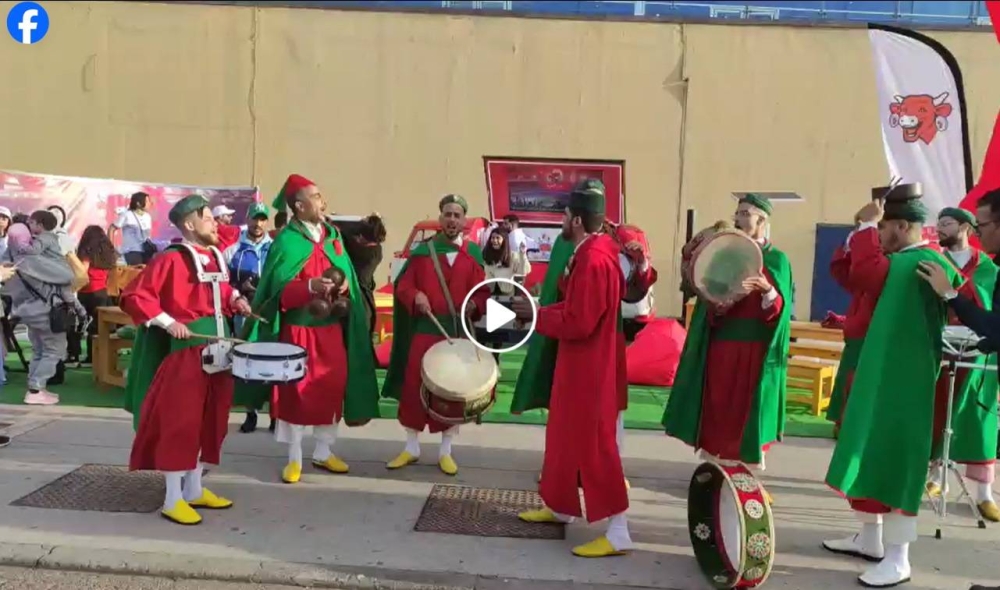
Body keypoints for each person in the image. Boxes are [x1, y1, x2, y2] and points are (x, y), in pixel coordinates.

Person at [824, 189, 962, 588]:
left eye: (884, 228)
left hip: (907, 381)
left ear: (903, 227)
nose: (880, 235)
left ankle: (899, 557)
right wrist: (865, 230)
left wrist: (865, 226)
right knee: (873, 453)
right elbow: (855, 274)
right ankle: (870, 539)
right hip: (885, 373)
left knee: (899, 461)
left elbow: (866, 273)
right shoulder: (906, 261)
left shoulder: (923, 261)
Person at [509, 179, 631, 558]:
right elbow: (575, 309)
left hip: (589, 369)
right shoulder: (593, 251)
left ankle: (618, 532)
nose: (560, 220)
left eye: (563, 215)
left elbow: (581, 322)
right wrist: (539, 312)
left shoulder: (594, 259)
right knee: (563, 439)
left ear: (576, 220)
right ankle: (561, 506)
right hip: (578, 365)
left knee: (596, 448)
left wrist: (535, 319)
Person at [235, 174, 380, 484]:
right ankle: (295, 457)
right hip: (299, 332)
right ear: (299, 206)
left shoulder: (334, 237)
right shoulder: (287, 241)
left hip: (331, 331)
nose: (322, 201)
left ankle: (324, 452)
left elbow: (350, 279)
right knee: (296, 394)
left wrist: (340, 290)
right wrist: (309, 287)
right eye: (315, 196)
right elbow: (277, 292)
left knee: (332, 388)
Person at [120, 194, 254, 525]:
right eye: (208, 217)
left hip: (219, 349)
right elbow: (135, 296)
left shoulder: (215, 255)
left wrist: (235, 299)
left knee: (211, 421)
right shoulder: (171, 259)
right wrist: (169, 322)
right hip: (187, 353)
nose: (215, 222)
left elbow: (220, 292)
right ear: (190, 224)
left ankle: (194, 490)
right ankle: (172, 498)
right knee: (182, 423)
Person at [663, 193, 792, 500]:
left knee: (746, 414)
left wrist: (767, 291)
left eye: (746, 213)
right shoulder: (725, 254)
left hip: (754, 353)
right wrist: (720, 303)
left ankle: (746, 479)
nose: (738, 218)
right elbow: (708, 295)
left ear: (762, 220)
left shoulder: (777, 260)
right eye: (738, 213)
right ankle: (719, 472)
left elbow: (781, 313)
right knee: (719, 410)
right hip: (721, 348)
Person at [381, 194, 490, 476]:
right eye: (447, 214)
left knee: (452, 392)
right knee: (415, 387)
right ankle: (411, 447)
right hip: (426, 331)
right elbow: (403, 286)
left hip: (456, 334)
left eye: (457, 215)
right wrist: (415, 295)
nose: (452, 220)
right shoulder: (422, 252)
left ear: (464, 221)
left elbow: (483, 292)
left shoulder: (473, 255)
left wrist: (475, 306)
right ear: (440, 219)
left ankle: (446, 451)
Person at [923, 206, 999, 522]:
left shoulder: (988, 268)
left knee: (978, 419)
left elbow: (991, 312)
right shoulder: (931, 262)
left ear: (967, 227)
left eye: (948, 223)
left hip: (981, 348)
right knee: (939, 409)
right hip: (942, 347)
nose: (940, 228)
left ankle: (984, 493)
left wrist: (956, 292)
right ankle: (934, 476)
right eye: (938, 223)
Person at [2, 220, 82, 405]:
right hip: (47, 312)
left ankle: (36, 387)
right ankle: (36, 389)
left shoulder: (7, 262)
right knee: (54, 350)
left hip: (26, 313)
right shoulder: (32, 260)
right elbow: (67, 276)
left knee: (39, 350)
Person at [223, 202, 274, 434]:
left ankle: (276, 414)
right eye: (255, 218)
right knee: (247, 364)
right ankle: (250, 413)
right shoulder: (232, 251)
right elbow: (223, 284)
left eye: (263, 219)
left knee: (273, 364)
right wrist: (239, 289)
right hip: (244, 314)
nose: (258, 224)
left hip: (270, 314)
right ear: (248, 219)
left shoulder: (275, 248)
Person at [826, 214, 879, 433]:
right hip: (857, 338)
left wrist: (869, 226)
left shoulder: (888, 264)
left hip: (874, 339)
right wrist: (860, 229)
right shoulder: (863, 272)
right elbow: (843, 273)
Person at [331, 213, 387, 335]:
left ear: (362, 237)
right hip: (365, 297)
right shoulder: (377, 250)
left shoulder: (363, 252)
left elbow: (347, 237)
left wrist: (333, 227)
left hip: (358, 296)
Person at [73, 226, 117, 365]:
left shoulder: (87, 250)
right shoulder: (108, 251)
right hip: (102, 290)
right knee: (100, 326)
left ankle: (86, 356)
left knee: (87, 324)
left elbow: (82, 271)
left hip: (86, 290)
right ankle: (101, 357)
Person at [111, 192, 156, 265]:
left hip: (146, 252)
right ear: (138, 203)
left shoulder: (148, 216)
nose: (150, 203)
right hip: (131, 252)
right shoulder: (127, 215)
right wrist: (111, 249)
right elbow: (111, 229)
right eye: (147, 201)